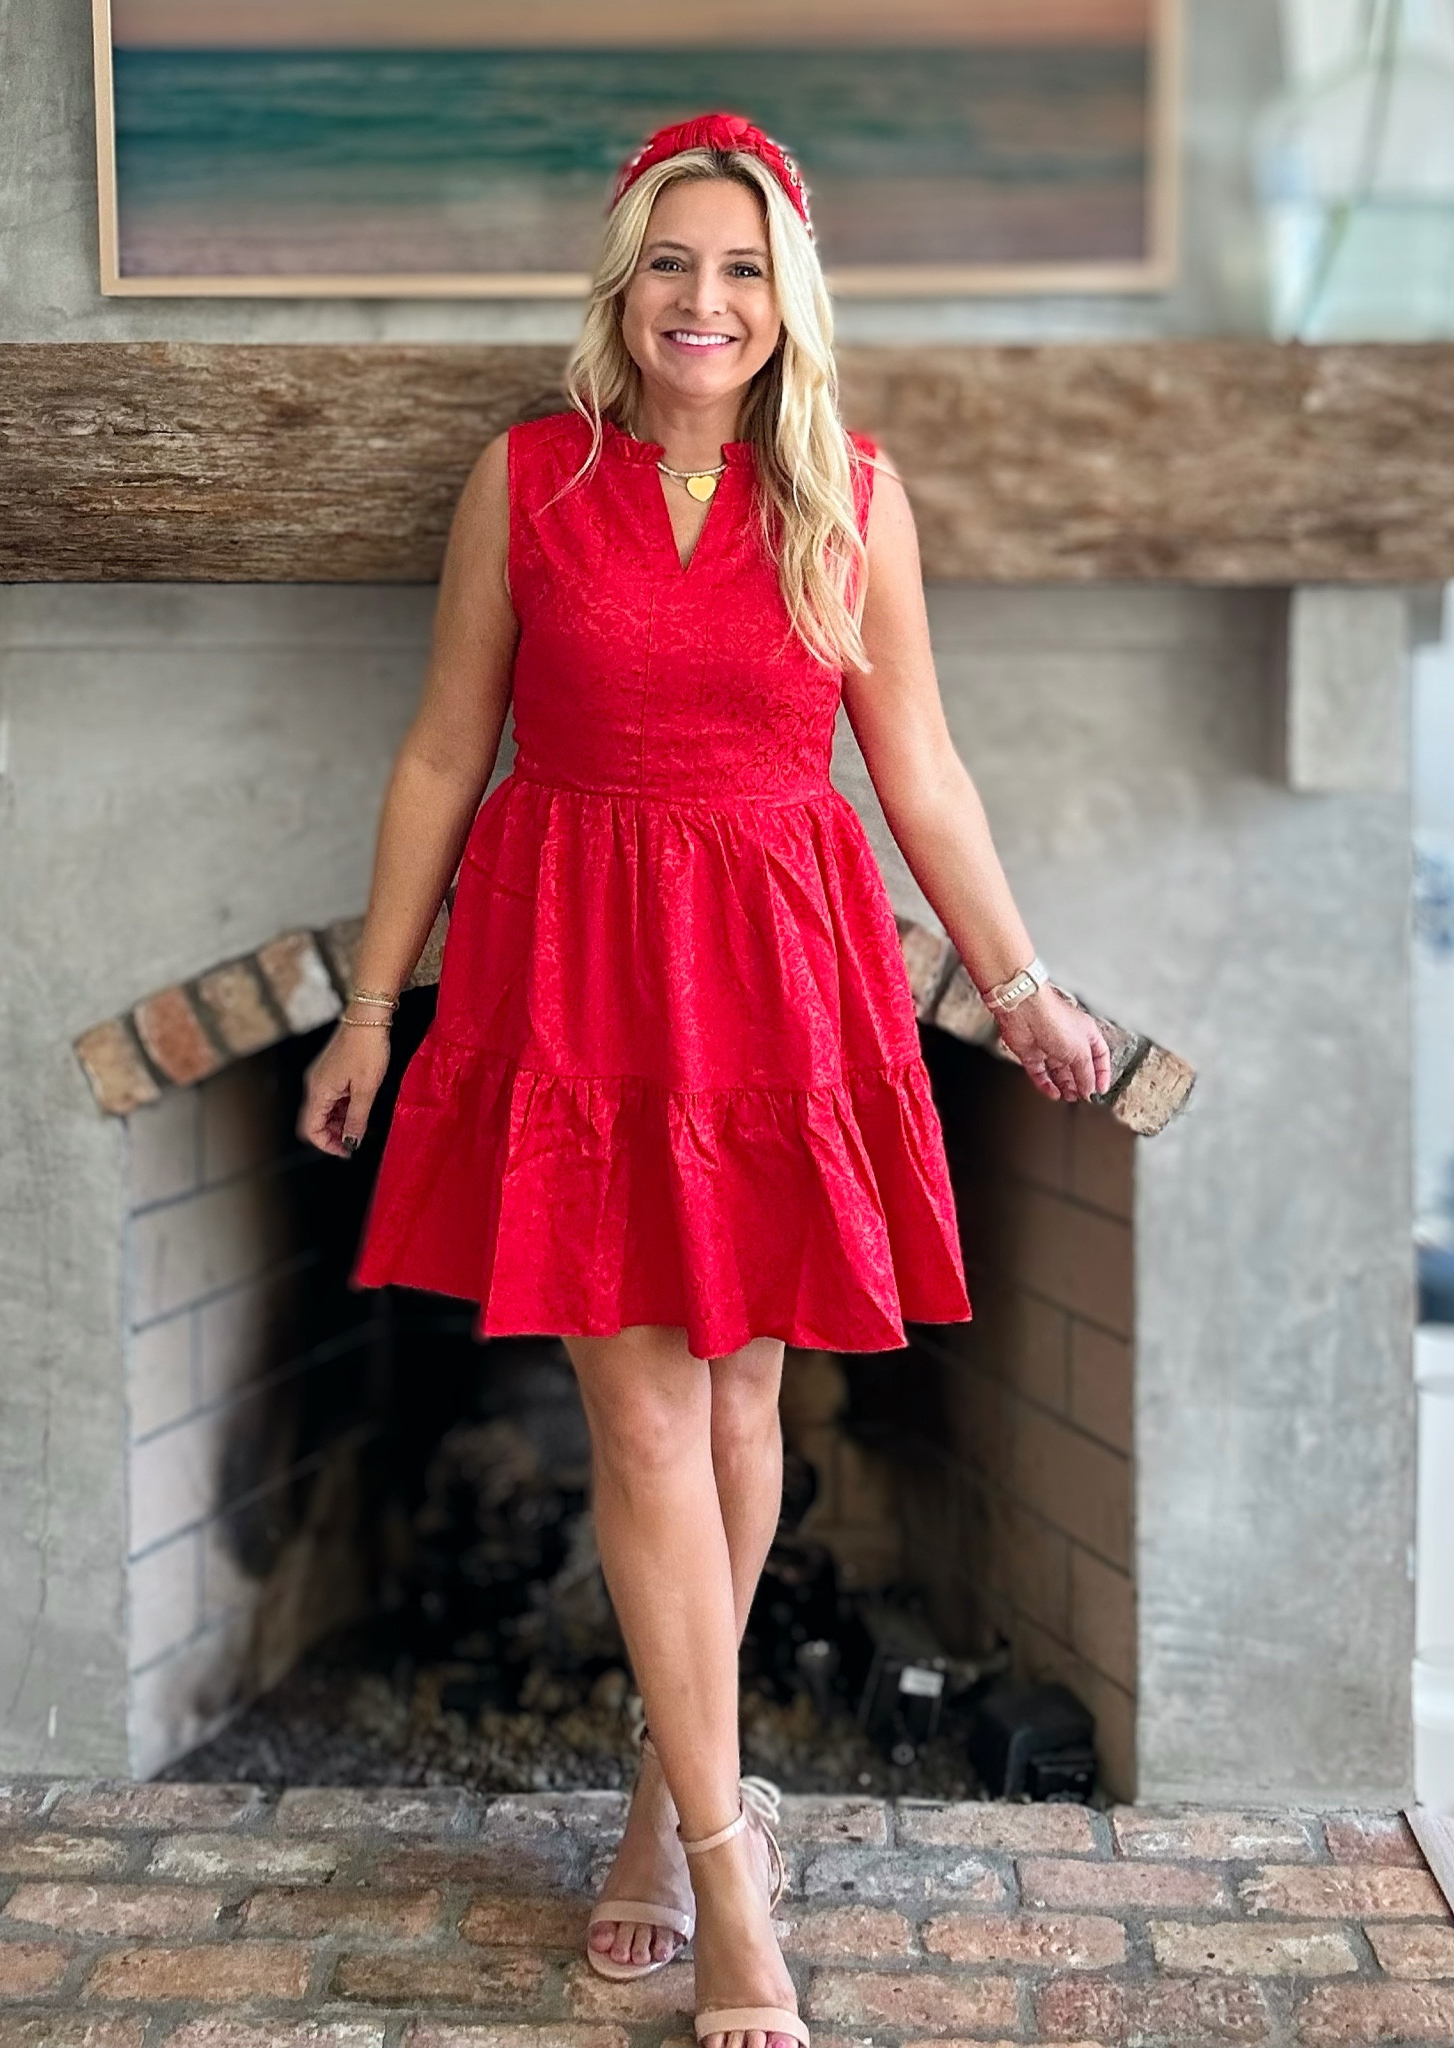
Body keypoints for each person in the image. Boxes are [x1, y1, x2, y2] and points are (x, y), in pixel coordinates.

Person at [299, 110, 1110, 2048]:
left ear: (787, 300)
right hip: (573, 968)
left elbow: (919, 767)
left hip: (778, 982)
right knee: (649, 1428)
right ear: (623, 280)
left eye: (743, 268)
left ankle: (668, 1812)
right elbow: (438, 754)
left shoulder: (850, 493)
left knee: (747, 1412)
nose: (704, 298)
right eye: (673, 261)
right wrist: (364, 1008)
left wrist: (1020, 980)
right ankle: (739, 1901)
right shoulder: (526, 480)